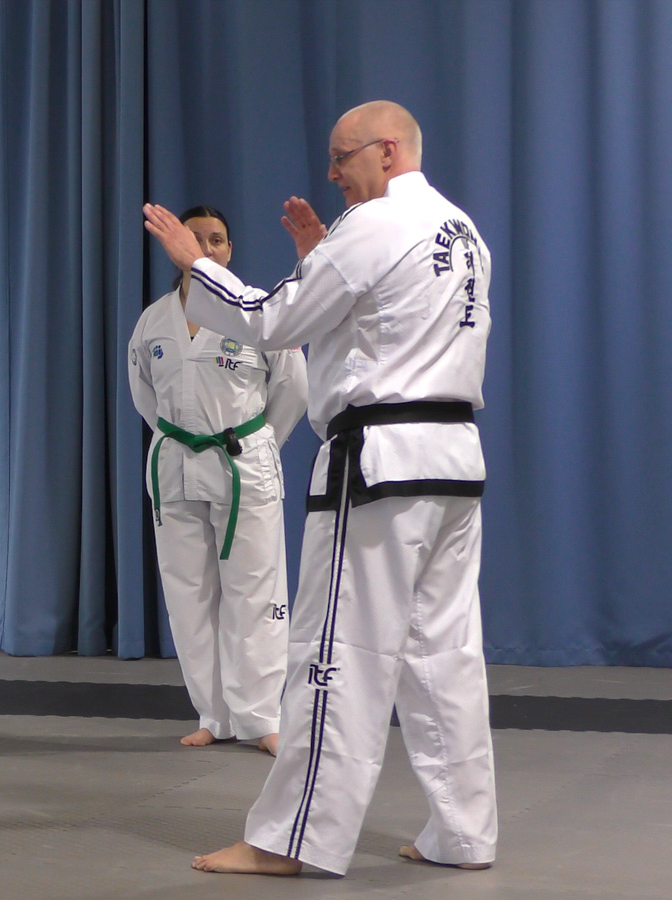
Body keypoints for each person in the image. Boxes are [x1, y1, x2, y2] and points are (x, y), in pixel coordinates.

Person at [144, 100, 496, 876]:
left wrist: (193, 264)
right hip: (451, 462)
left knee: (337, 653)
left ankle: (287, 840)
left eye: (344, 158)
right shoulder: (461, 229)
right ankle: (464, 832)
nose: (332, 174)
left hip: (379, 467)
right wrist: (317, 255)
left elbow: (274, 322)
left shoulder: (372, 226)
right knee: (445, 652)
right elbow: (373, 322)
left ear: (390, 150)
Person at [127, 205, 306, 757]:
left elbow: (293, 391)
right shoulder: (153, 321)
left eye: (219, 240)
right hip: (177, 461)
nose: (207, 248)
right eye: (196, 238)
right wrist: (182, 440)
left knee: (254, 592)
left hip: (242, 459)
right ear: (174, 243)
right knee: (189, 594)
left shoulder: (257, 312)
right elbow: (145, 397)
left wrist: (254, 444)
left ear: (230, 251)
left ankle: (260, 716)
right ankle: (214, 712)